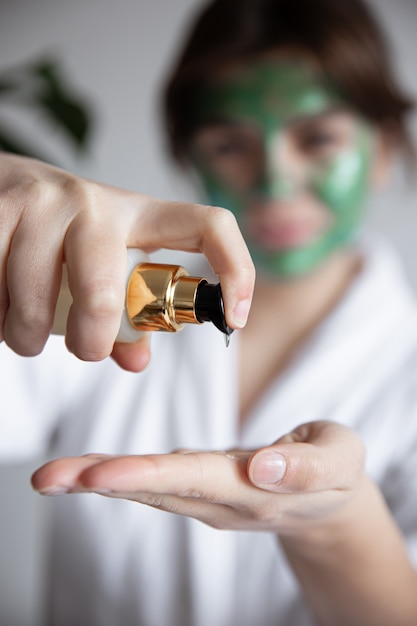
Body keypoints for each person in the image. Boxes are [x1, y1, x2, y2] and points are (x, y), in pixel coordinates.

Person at [2, 0, 417, 624]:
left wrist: (336, 526)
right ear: (188, 157)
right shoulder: (107, 298)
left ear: (384, 147)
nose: (275, 181)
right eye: (230, 143)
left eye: (319, 138)